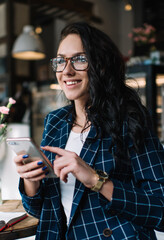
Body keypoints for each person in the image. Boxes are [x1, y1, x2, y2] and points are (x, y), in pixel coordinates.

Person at [14, 22, 164, 240]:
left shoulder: (129, 120)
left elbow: (160, 209)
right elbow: (41, 211)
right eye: (61, 61)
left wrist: (96, 179)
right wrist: (31, 181)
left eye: (80, 59)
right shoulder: (55, 121)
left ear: (101, 66)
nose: (67, 70)